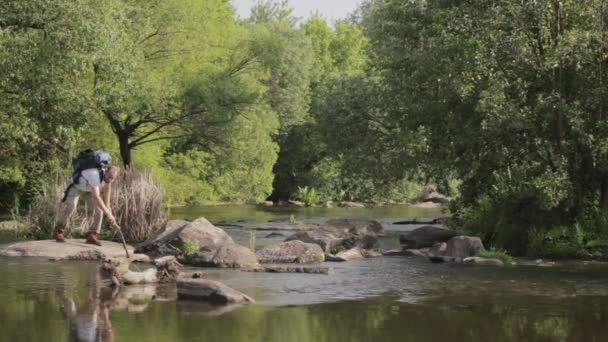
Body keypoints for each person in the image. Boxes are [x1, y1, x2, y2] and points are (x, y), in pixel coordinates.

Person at [53, 165, 121, 245]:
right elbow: (96, 197)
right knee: (71, 206)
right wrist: (108, 214)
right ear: (105, 171)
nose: (110, 180)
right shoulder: (95, 175)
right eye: (109, 177)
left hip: (89, 189)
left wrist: (109, 211)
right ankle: (58, 230)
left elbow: (107, 197)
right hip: (76, 185)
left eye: (112, 178)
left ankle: (92, 235)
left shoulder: (108, 181)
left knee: (99, 210)